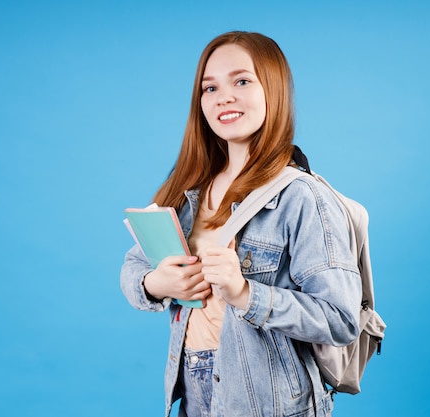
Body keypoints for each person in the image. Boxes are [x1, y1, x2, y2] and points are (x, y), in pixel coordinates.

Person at [120, 31, 362, 417]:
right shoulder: (188, 190)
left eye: (242, 81)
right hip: (192, 389)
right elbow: (134, 267)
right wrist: (155, 283)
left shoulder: (300, 197)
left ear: (273, 89)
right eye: (209, 87)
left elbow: (341, 320)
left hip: (268, 400)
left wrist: (245, 294)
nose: (224, 97)